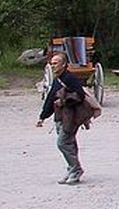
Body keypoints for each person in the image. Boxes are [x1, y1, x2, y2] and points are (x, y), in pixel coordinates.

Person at [36, 52, 88, 185]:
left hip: (70, 117)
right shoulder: (57, 78)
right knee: (69, 143)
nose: (53, 66)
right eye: (51, 63)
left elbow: (80, 95)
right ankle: (72, 169)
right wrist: (43, 116)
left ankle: (76, 170)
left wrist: (65, 102)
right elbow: (50, 98)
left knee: (62, 143)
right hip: (59, 117)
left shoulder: (70, 78)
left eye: (56, 63)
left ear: (64, 64)